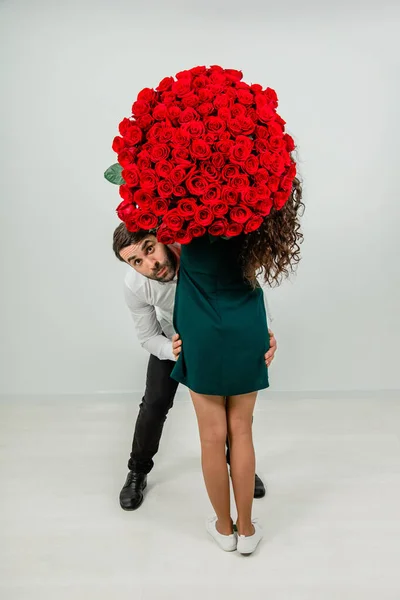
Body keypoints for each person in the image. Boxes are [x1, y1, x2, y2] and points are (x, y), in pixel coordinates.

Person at [113, 223, 277, 512]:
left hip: (219, 333)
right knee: (155, 403)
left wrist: (263, 333)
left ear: (162, 239)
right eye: (136, 261)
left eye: (150, 249)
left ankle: (239, 467)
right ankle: (138, 470)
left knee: (233, 405)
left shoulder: (200, 252)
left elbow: (244, 292)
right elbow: (148, 336)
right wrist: (172, 350)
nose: (150, 264)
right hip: (175, 341)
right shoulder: (135, 286)